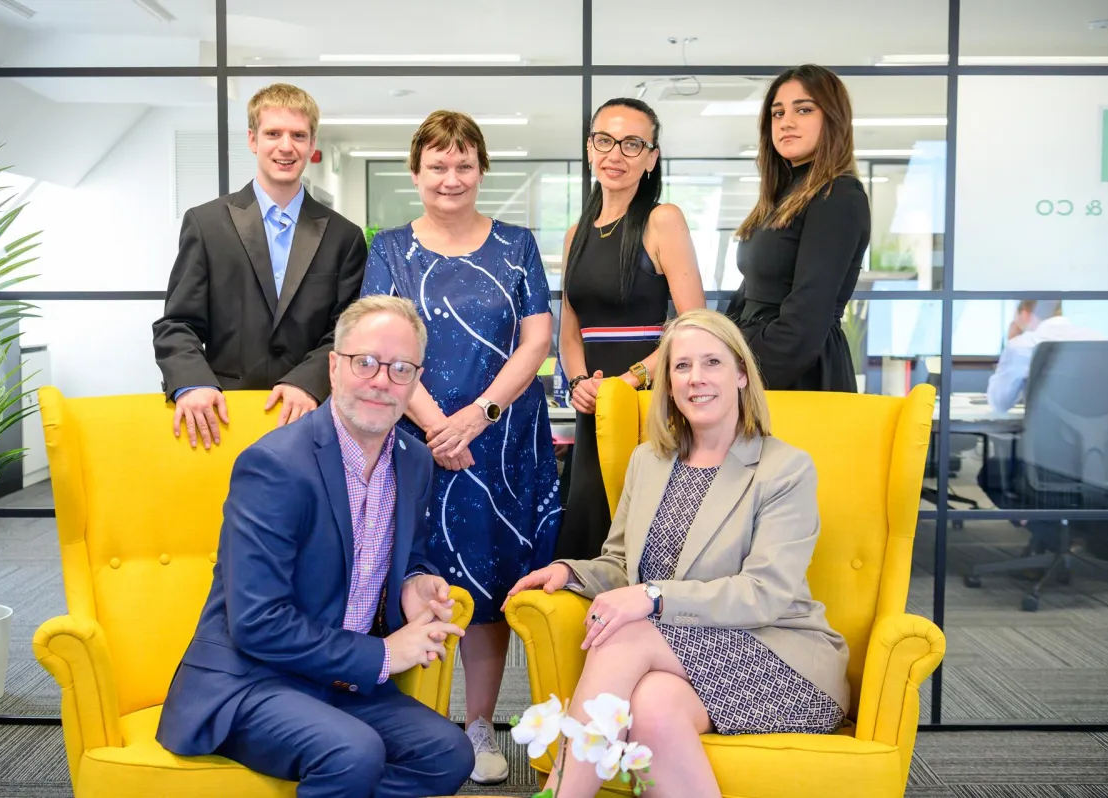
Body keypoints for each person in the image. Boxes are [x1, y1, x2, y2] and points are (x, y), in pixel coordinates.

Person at [505, 309, 849, 798]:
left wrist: (652, 597)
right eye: (682, 366)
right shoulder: (649, 460)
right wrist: (568, 572)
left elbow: (765, 594)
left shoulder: (785, 469)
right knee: (653, 708)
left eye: (712, 362)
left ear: (741, 374)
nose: (696, 378)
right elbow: (622, 566)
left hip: (781, 659)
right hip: (681, 663)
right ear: (667, 381)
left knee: (624, 637)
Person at [156, 295, 474, 798]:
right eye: (365, 362)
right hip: (251, 681)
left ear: (416, 381)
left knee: (448, 754)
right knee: (353, 753)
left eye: (399, 369)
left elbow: (407, 555)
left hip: (337, 681)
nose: (380, 381)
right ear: (334, 366)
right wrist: (383, 655)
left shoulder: (414, 461)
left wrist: (415, 581)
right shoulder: (276, 466)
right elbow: (256, 621)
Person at [361, 110, 560, 785]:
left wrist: (475, 415)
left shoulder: (517, 244)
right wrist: (434, 423)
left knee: (489, 581)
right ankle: (413, 724)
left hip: (501, 444)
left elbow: (537, 340)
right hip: (413, 439)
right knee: (411, 579)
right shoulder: (387, 249)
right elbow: (378, 343)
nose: (452, 177)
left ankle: (478, 724)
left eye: (464, 164)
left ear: (481, 170)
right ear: (415, 173)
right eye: (437, 165)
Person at [153, 82, 366, 450]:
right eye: (273, 133)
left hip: (312, 417)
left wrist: (307, 381)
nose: (286, 146)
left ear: (312, 144)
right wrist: (193, 382)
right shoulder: (206, 224)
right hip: (222, 418)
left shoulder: (344, 236)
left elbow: (347, 330)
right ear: (252, 140)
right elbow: (177, 323)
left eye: (298, 135)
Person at [556, 97, 705, 563]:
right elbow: (569, 331)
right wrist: (580, 383)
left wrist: (631, 381)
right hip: (594, 400)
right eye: (605, 140)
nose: (614, 154)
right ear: (589, 148)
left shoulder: (663, 220)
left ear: (651, 157)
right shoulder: (575, 231)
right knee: (590, 523)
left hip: (648, 399)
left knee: (644, 530)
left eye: (632, 144)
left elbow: (694, 324)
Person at [726, 64, 870, 392]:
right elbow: (748, 294)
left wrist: (741, 379)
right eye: (777, 114)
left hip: (794, 370)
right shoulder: (782, 196)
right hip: (754, 358)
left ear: (832, 118)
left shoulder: (838, 195)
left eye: (803, 110)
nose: (786, 122)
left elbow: (806, 318)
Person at [986, 299, 1104, 413]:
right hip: (1103, 431)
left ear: (1025, 314)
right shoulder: (1101, 340)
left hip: (1048, 431)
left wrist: (1011, 343)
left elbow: (1000, 404)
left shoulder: (1022, 345)